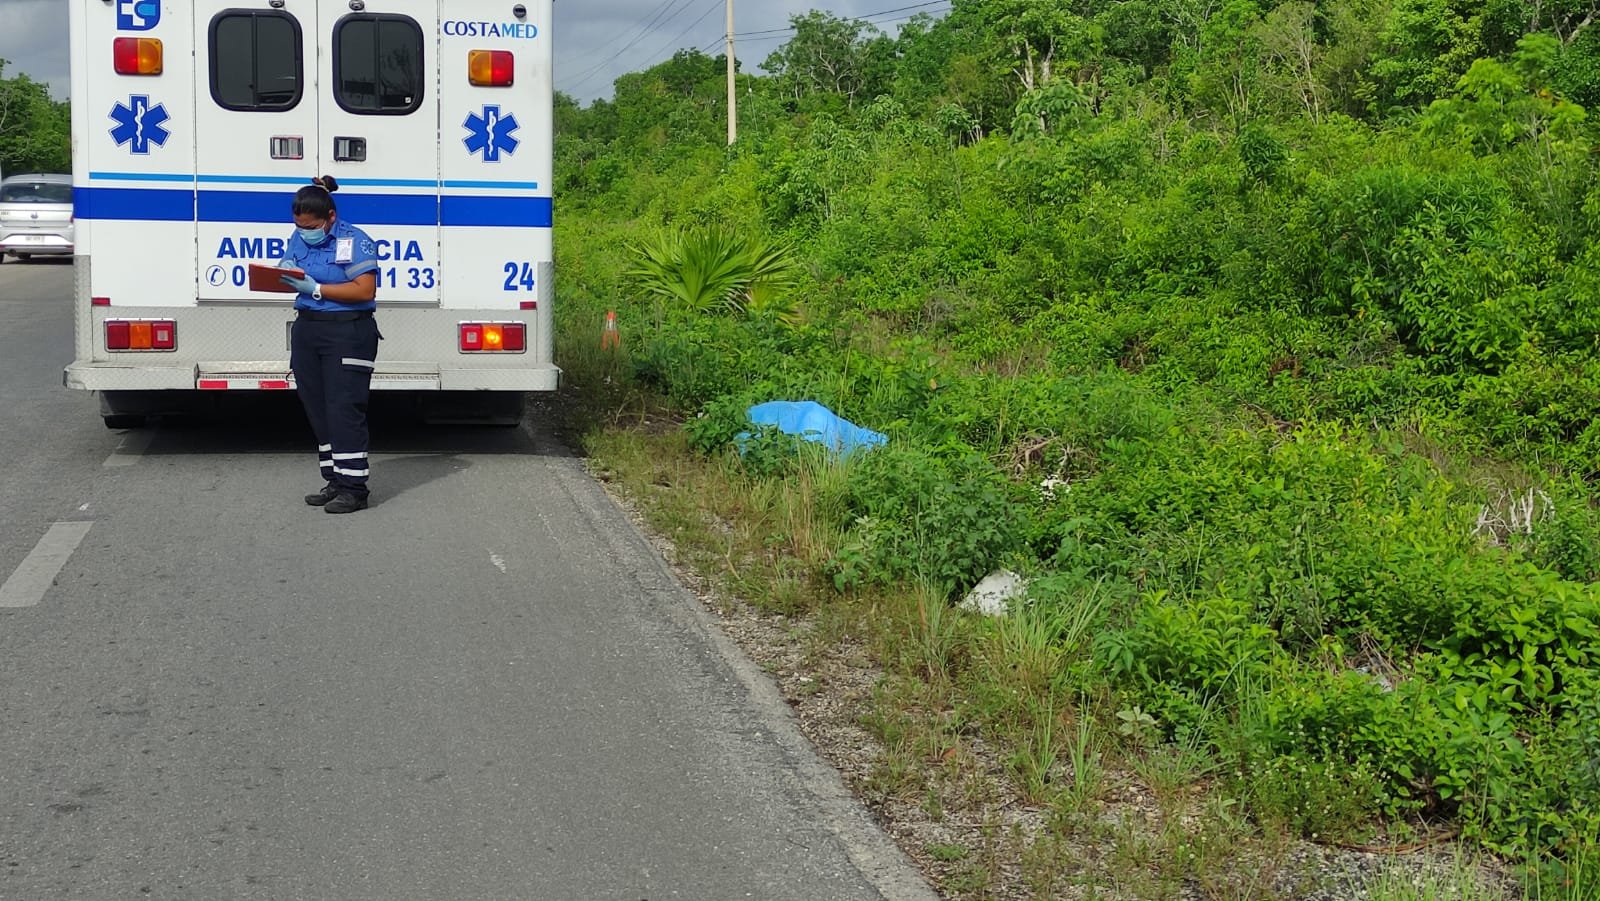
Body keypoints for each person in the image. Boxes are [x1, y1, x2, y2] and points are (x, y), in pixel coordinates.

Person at [279, 176, 381, 514]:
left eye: (311, 225)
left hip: (347, 332)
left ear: (331, 218)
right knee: (318, 408)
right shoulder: (300, 236)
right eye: (299, 225)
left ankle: (354, 489)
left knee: (343, 408)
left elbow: (364, 290)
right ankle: (335, 479)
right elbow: (293, 263)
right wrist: (283, 271)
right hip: (308, 329)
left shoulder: (355, 241)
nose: (304, 231)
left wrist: (317, 289)